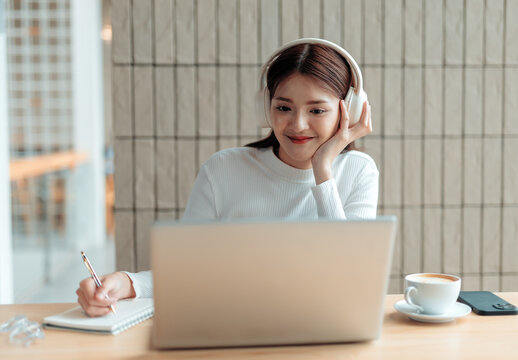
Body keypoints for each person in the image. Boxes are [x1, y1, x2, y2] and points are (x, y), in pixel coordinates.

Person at [76, 38, 378, 317]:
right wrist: (126, 283)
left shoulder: (359, 172)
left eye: (317, 110)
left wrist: (323, 170)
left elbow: (350, 278)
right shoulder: (223, 171)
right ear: (266, 107)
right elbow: (188, 270)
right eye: (283, 107)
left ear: (346, 112)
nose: (298, 125)